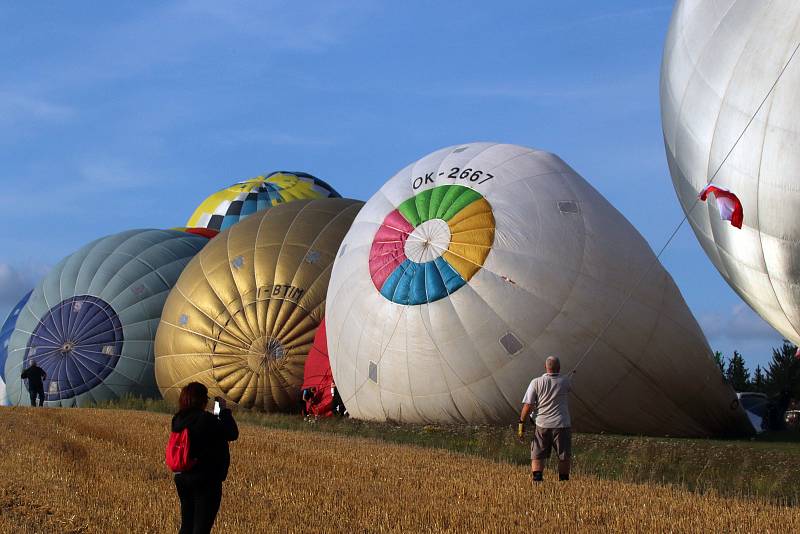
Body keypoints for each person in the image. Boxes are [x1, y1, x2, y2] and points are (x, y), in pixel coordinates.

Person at [171, 382, 238, 534]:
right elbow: (232, 433)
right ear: (201, 400)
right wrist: (224, 411)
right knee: (201, 529)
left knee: (187, 525)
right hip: (205, 479)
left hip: (183, 477)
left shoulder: (177, 419)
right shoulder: (206, 419)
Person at [517, 356, 572, 483]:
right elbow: (568, 387)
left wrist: (521, 423)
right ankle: (563, 482)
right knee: (563, 456)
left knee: (537, 455)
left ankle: (537, 480)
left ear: (545, 367)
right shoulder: (565, 381)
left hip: (542, 424)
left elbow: (528, 405)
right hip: (562, 424)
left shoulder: (536, 382)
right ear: (559, 368)